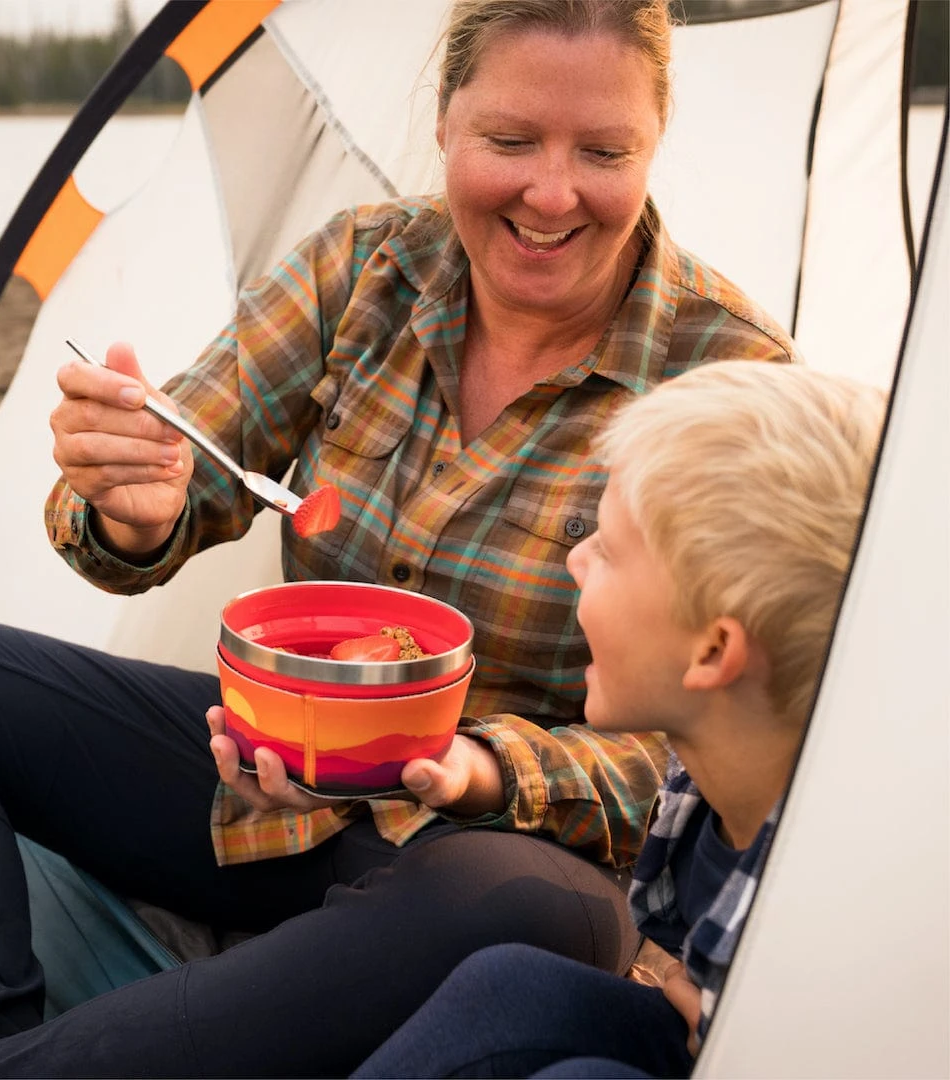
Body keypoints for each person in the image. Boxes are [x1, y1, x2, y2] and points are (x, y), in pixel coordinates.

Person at [0, 1, 798, 1076]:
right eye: (509, 142)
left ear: (655, 142)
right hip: (272, 779)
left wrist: (488, 766)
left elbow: (741, 746)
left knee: (503, 917)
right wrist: (136, 508)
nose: (553, 193)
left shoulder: (726, 378)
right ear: (446, 123)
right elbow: (179, 461)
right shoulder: (366, 269)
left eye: (604, 151)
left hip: (509, 859)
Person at [351, 360, 887, 1079]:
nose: (574, 559)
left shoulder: (840, 896)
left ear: (712, 650)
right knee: (511, 988)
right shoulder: (705, 782)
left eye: (607, 549)